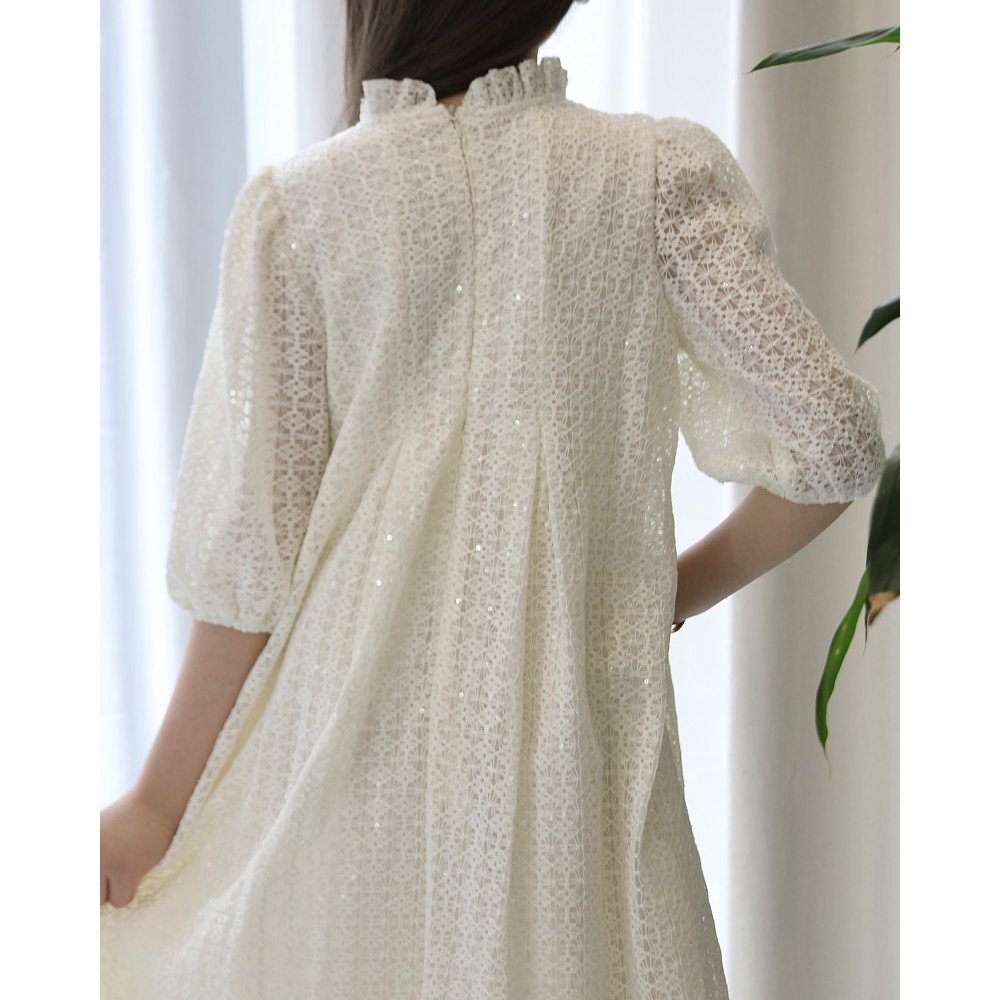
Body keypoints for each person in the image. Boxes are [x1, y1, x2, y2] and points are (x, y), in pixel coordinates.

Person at [99, 2, 886, 997]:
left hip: (339, 782)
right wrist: (667, 589)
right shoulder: (655, 179)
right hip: (578, 784)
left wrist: (156, 804)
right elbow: (836, 441)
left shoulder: (302, 210)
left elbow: (250, 568)